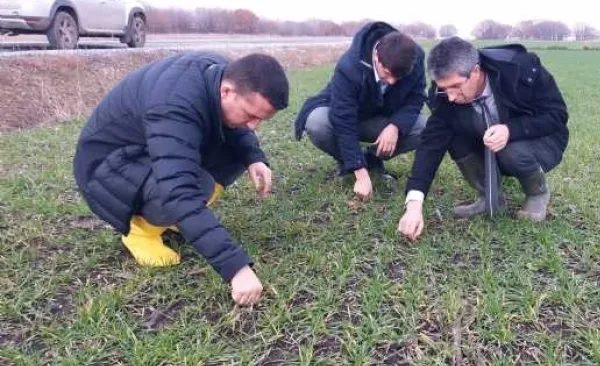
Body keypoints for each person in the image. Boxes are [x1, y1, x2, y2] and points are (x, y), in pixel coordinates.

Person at [73, 51, 290, 306]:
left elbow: (235, 129)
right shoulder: (174, 105)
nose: (254, 126)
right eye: (250, 114)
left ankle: (174, 220)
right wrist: (236, 269)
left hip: (143, 153)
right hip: (107, 170)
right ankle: (139, 232)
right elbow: (179, 191)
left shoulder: (220, 74)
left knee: (233, 155)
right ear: (227, 92)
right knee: (192, 186)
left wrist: (254, 156)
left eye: (261, 119)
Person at [398, 37, 569, 240]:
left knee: (510, 150)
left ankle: (537, 193)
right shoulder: (443, 96)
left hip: (541, 141)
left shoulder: (521, 69)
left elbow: (557, 115)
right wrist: (414, 204)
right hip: (486, 140)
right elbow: (430, 146)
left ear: (476, 72)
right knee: (452, 136)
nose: (451, 96)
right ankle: (490, 197)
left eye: (456, 86)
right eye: (444, 88)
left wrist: (510, 130)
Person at [294, 21, 427, 200]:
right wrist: (361, 174)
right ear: (376, 57)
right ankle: (351, 162)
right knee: (317, 122)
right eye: (387, 74)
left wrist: (395, 126)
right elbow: (343, 119)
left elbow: (416, 97)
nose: (392, 82)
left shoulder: (415, 58)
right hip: (349, 116)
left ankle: (372, 159)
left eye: (398, 77)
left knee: (425, 127)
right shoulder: (349, 66)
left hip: (382, 119)